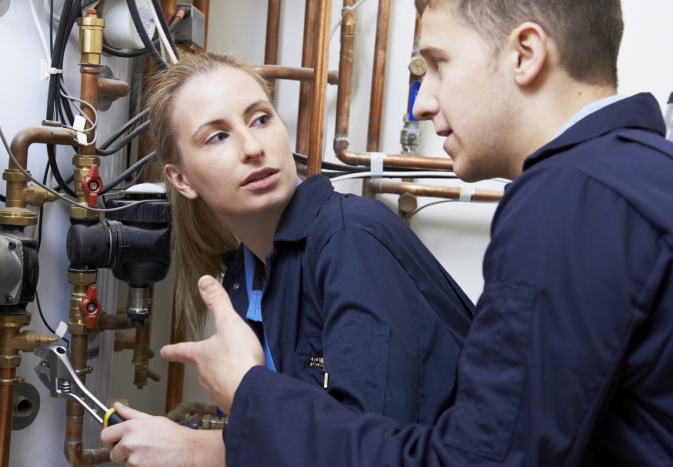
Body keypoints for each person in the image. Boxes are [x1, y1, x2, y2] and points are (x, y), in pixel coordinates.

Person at [158, 0, 673, 465]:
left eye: (438, 64)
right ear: (179, 179)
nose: (423, 104)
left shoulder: (572, 201)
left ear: (525, 53)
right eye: (218, 136)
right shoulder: (629, 178)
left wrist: (247, 401)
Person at [101, 51, 475, 464]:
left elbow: (374, 453)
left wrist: (201, 451)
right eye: (217, 136)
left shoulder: (350, 239)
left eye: (260, 119)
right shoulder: (242, 280)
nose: (252, 147)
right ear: (181, 179)